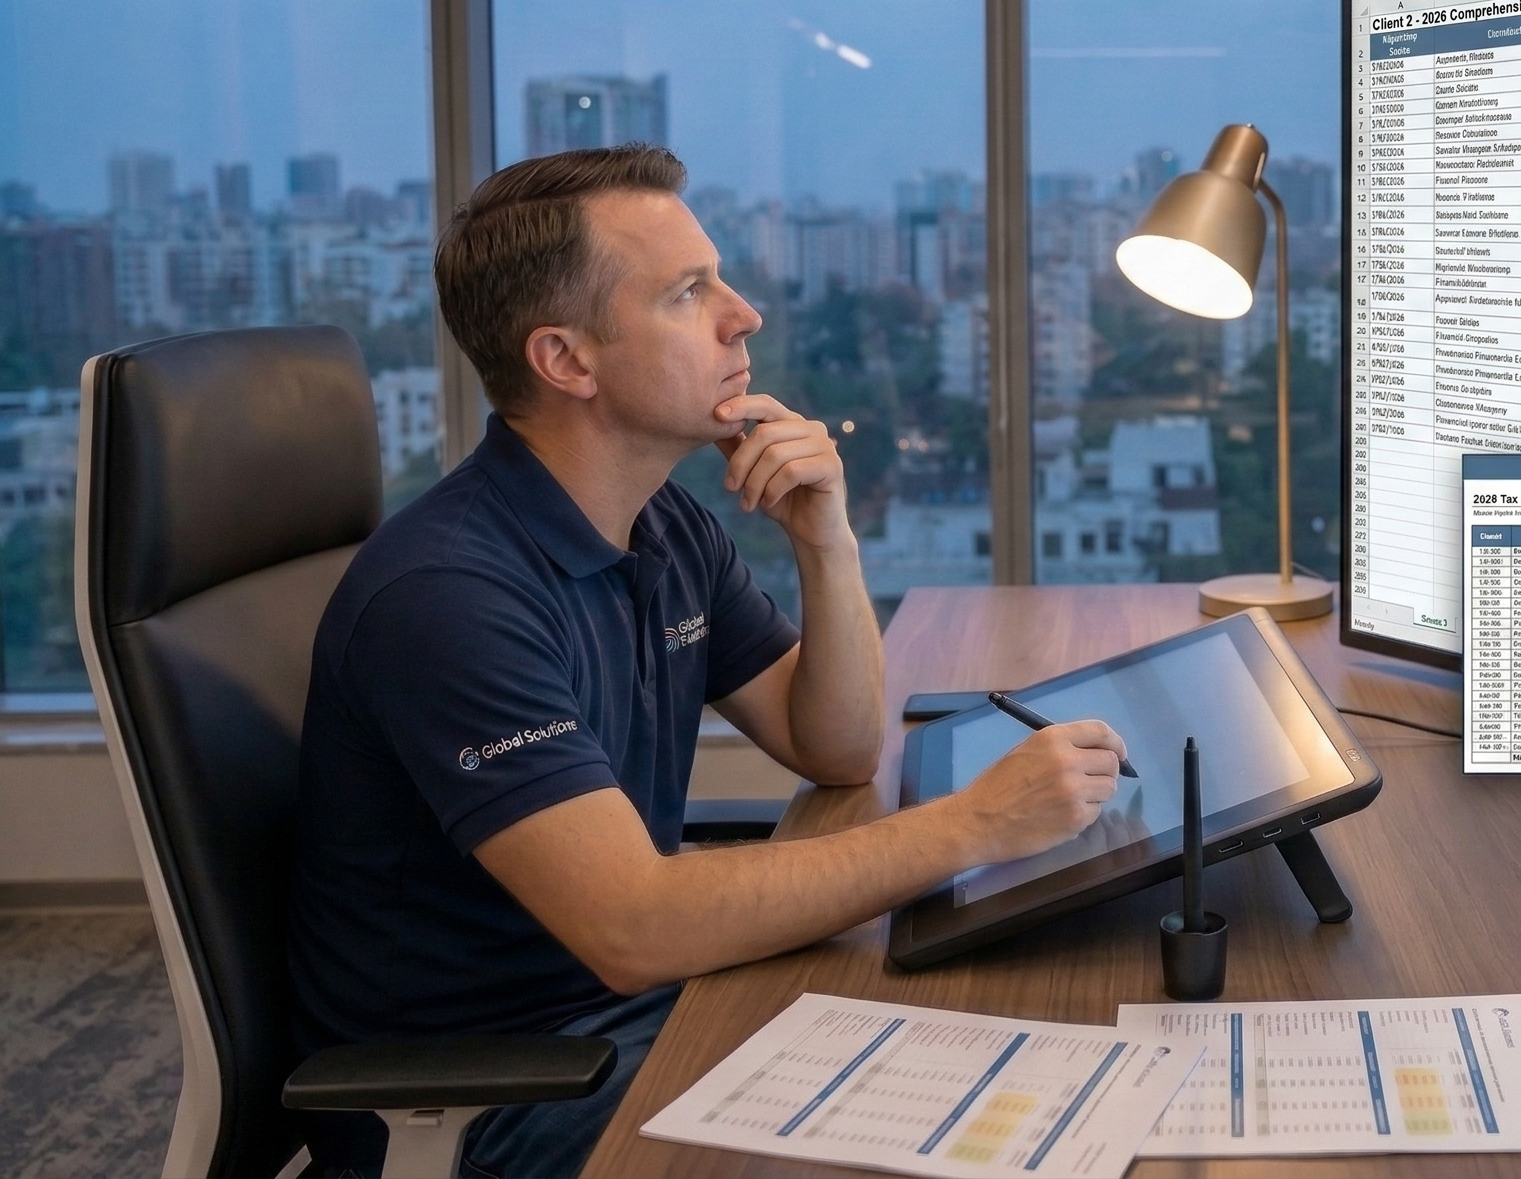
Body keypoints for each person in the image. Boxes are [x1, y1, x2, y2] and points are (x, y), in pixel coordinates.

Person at [288, 144, 1127, 1179]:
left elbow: (833, 747)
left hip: (637, 1009)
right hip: (494, 1092)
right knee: (969, 1100)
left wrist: (826, 540)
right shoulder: (449, 596)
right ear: (566, 360)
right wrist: (978, 823)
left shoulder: (661, 522)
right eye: (688, 293)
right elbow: (634, 926)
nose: (745, 316)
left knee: (1000, 1028)